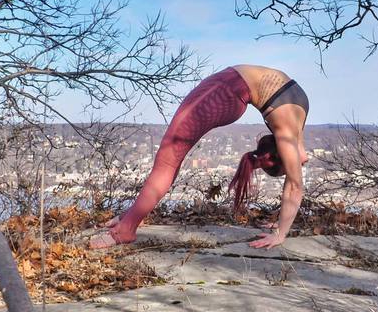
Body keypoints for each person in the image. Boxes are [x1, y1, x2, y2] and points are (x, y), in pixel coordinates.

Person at [89, 65, 309, 250]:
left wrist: (281, 229)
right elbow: (295, 180)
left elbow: (297, 171)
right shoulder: (288, 135)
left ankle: (127, 228)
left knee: (167, 159)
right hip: (225, 90)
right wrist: (281, 229)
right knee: (168, 159)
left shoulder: (295, 121)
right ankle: (131, 216)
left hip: (225, 88)